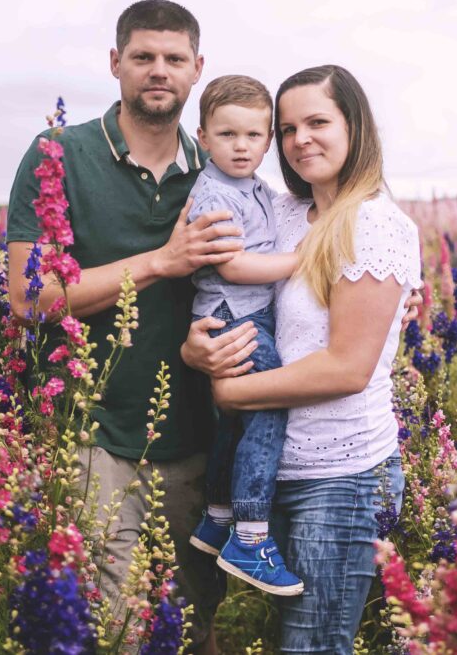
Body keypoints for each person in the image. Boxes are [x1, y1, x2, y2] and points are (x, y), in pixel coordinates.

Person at [6, 0, 260, 655]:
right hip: (93, 430)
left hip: (197, 435)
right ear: (115, 62)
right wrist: (159, 261)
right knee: (116, 627)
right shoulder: (60, 154)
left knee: (192, 621)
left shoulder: (221, 168)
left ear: (197, 69)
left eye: (174, 59)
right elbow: (30, 298)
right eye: (143, 56)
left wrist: (388, 284)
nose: (159, 70)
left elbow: (297, 242)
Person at [205, 64, 422, 653]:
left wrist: (229, 392)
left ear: (355, 126)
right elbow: (221, 293)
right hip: (269, 469)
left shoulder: (375, 224)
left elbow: (346, 368)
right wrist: (196, 347)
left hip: (342, 480)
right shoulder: (279, 214)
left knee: (313, 647)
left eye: (319, 122)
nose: (301, 140)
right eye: (288, 128)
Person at [184, 74, 303, 596]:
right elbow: (231, 266)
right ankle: (250, 534)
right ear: (203, 137)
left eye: (254, 136)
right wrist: (302, 261)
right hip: (233, 316)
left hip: (252, 315)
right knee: (271, 401)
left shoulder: (256, 187)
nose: (241, 146)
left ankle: (216, 516)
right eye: (227, 135)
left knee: (242, 414)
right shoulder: (212, 193)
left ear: (268, 138)